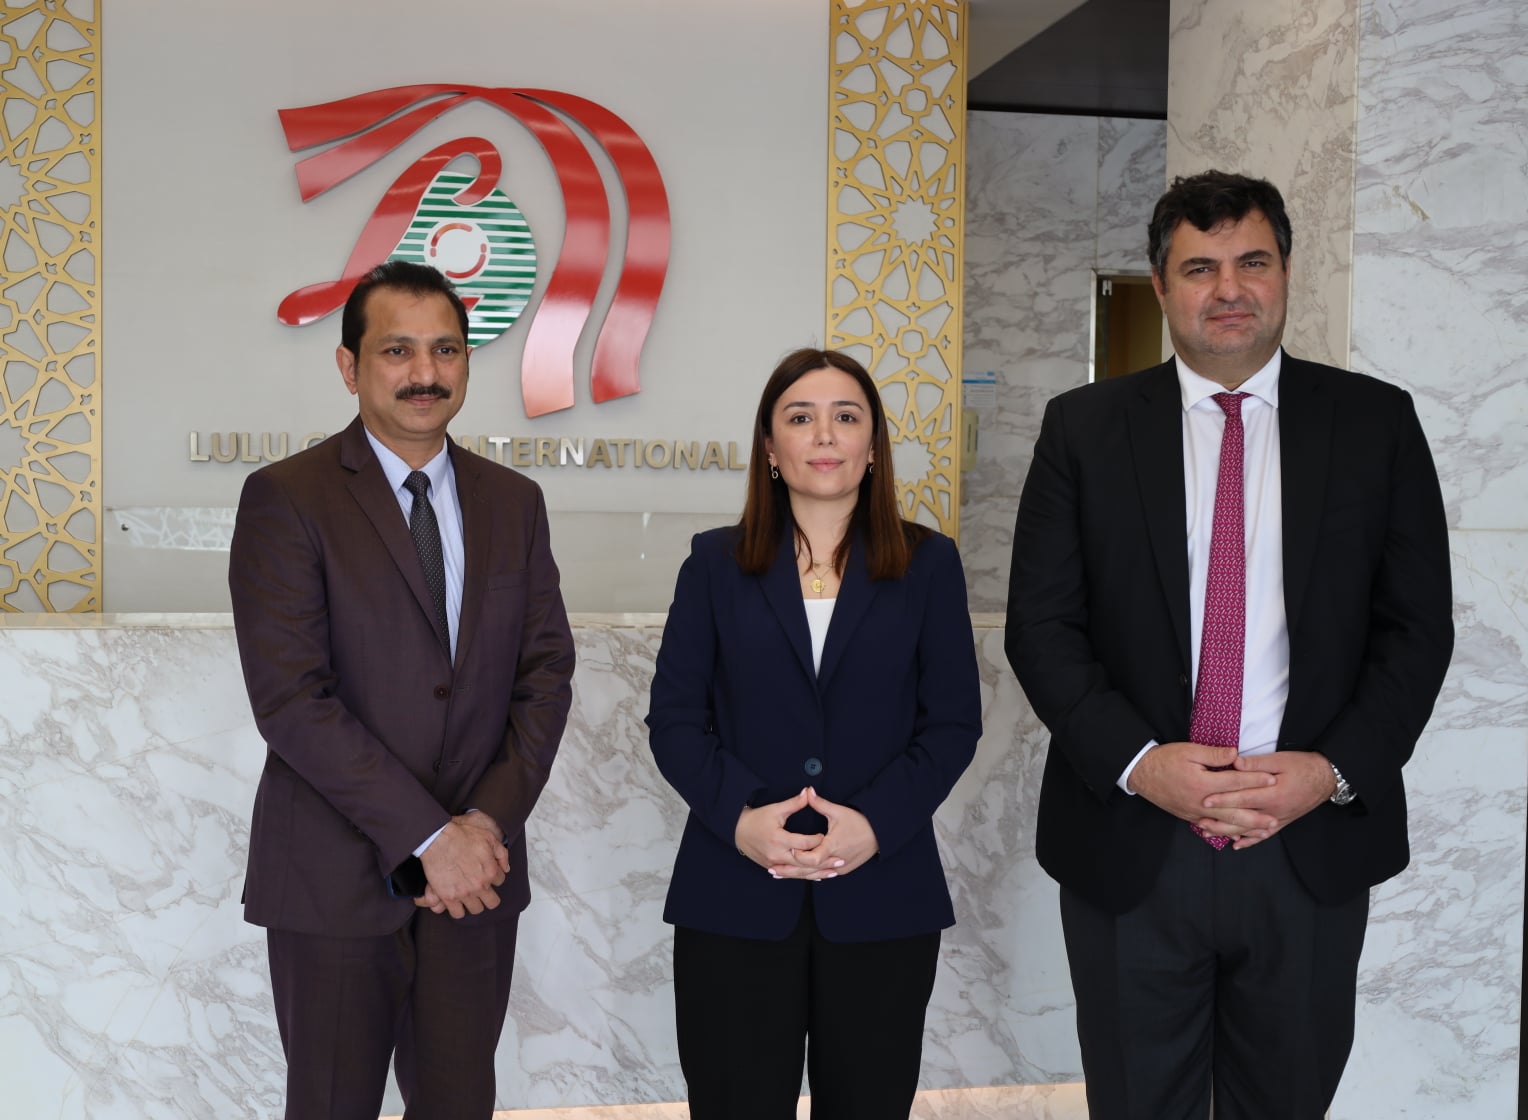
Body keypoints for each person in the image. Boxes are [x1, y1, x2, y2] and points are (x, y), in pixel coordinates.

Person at [1005, 171, 1454, 1119]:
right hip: (1133, 843)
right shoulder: (1083, 430)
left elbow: (1417, 631)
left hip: (1308, 843)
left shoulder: (1375, 424)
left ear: (1286, 272)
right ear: (1161, 287)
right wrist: (1142, 764)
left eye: (1253, 262)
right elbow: (1042, 629)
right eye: (1200, 268)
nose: (1230, 289)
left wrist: (1330, 772)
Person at [228, 260, 575, 1120]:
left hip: (478, 882)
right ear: (349, 367)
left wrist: (483, 827)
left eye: (446, 350)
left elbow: (545, 674)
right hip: (334, 881)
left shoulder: (515, 503)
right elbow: (291, 698)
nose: (426, 372)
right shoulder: (286, 498)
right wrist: (429, 837)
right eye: (398, 351)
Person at [645, 347, 982, 1119]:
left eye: (846, 416)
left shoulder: (929, 564)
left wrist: (875, 824)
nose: (825, 434)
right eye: (801, 417)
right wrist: (741, 820)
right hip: (734, 892)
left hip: (882, 893)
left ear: (873, 446)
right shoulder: (713, 564)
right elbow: (675, 721)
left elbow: (953, 724)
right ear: (770, 448)